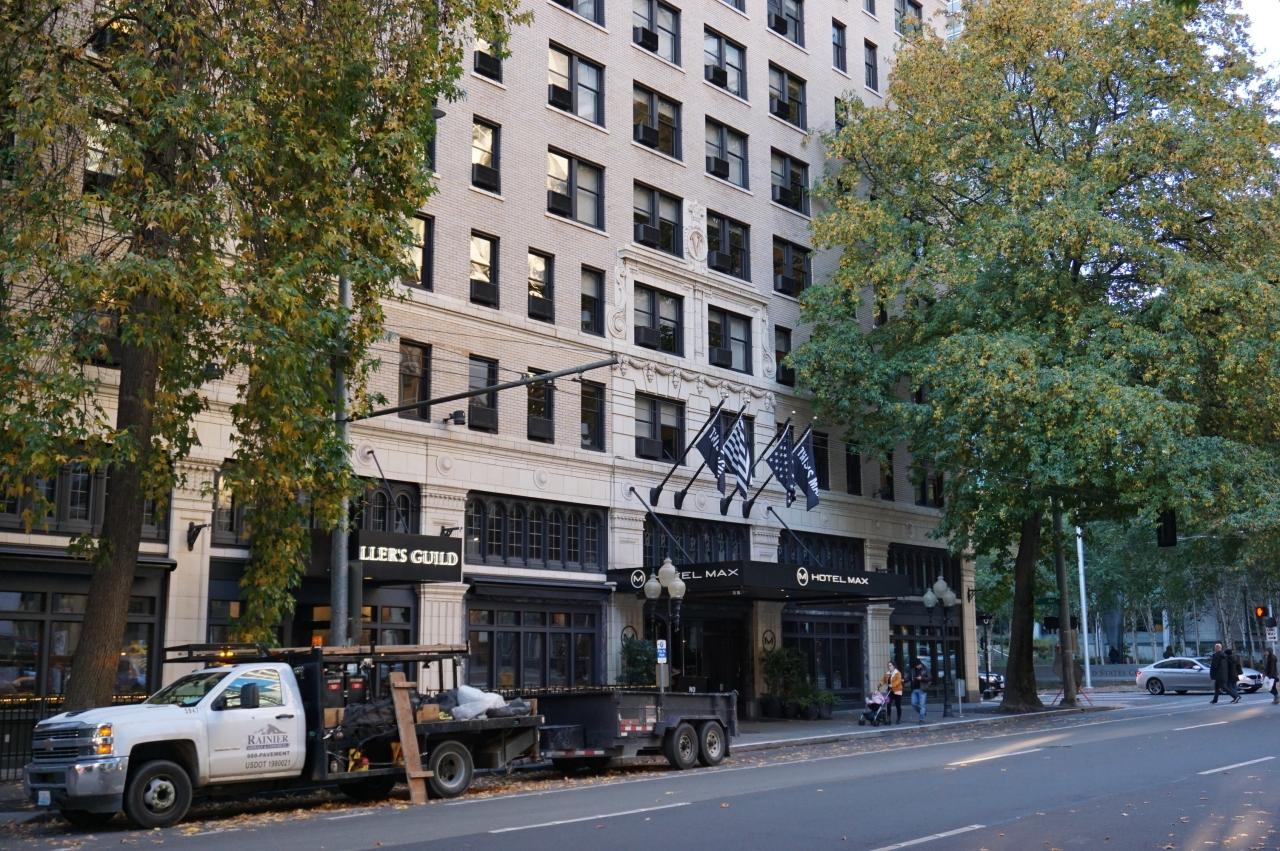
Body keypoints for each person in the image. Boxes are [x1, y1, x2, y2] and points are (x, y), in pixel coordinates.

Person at [909, 658, 930, 724]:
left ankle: (921, 719)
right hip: (914, 689)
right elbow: (910, 678)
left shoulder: (925, 669)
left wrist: (922, 678)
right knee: (913, 704)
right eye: (916, 665)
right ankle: (922, 712)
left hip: (922, 689)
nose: (917, 666)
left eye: (918, 665)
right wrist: (904, 680)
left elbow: (930, 678)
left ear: (920, 664)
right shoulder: (913, 670)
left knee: (922, 705)